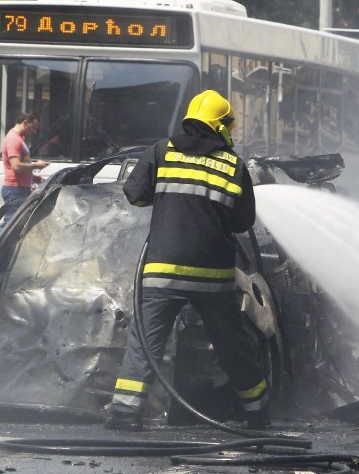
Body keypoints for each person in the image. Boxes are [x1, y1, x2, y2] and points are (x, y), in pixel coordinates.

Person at [106, 90, 270, 431]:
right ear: (221, 125)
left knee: (145, 344)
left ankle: (125, 414)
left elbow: (134, 194)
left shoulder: (162, 150)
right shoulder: (232, 164)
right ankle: (257, 412)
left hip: (162, 272)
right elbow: (242, 223)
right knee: (232, 344)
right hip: (212, 276)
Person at [0, 111, 50, 230]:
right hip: (15, 189)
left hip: (18, 188)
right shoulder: (14, 139)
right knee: (10, 225)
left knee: (15, 224)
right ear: (25, 123)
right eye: (33, 127)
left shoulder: (18, 138)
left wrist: (33, 178)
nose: (34, 131)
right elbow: (16, 166)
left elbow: (21, 165)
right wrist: (36, 165)